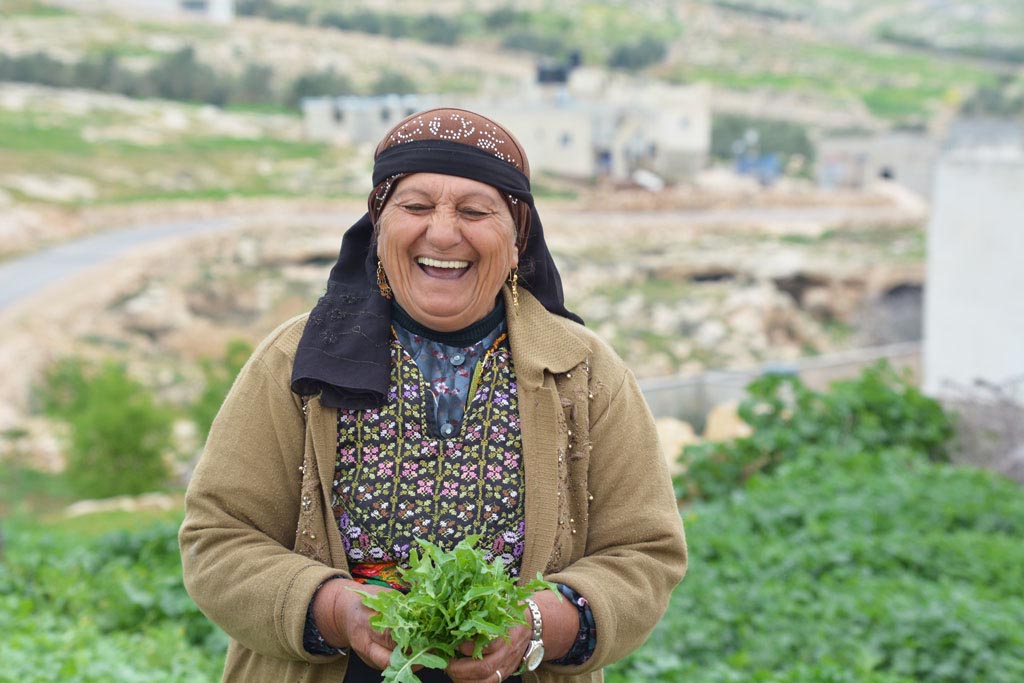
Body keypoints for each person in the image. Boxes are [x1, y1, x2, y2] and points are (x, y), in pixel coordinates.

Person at [179, 107, 687, 683]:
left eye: (475, 211)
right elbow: (218, 538)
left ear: (518, 237)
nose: (443, 233)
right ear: (379, 225)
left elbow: (645, 551)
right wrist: (337, 610)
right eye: (416, 207)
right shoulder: (295, 362)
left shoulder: (584, 372)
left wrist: (540, 624)